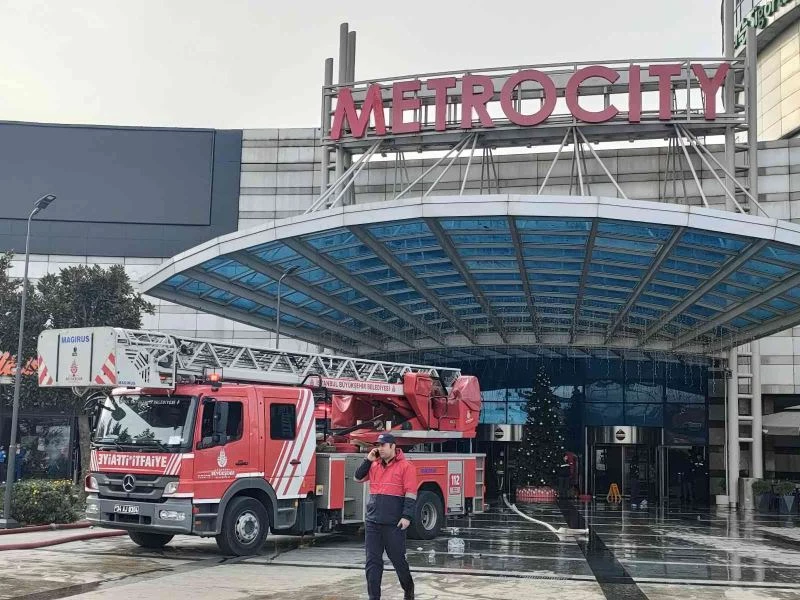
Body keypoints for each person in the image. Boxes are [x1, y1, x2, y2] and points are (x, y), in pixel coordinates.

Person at [354, 432, 417, 600]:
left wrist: (407, 516)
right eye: (378, 445)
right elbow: (357, 477)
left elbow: (411, 493)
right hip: (373, 522)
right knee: (372, 562)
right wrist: (368, 460)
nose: (380, 448)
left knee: (397, 560)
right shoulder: (374, 465)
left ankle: (409, 590)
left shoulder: (406, 467)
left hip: (394, 523)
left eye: (383, 445)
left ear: (393, 446)